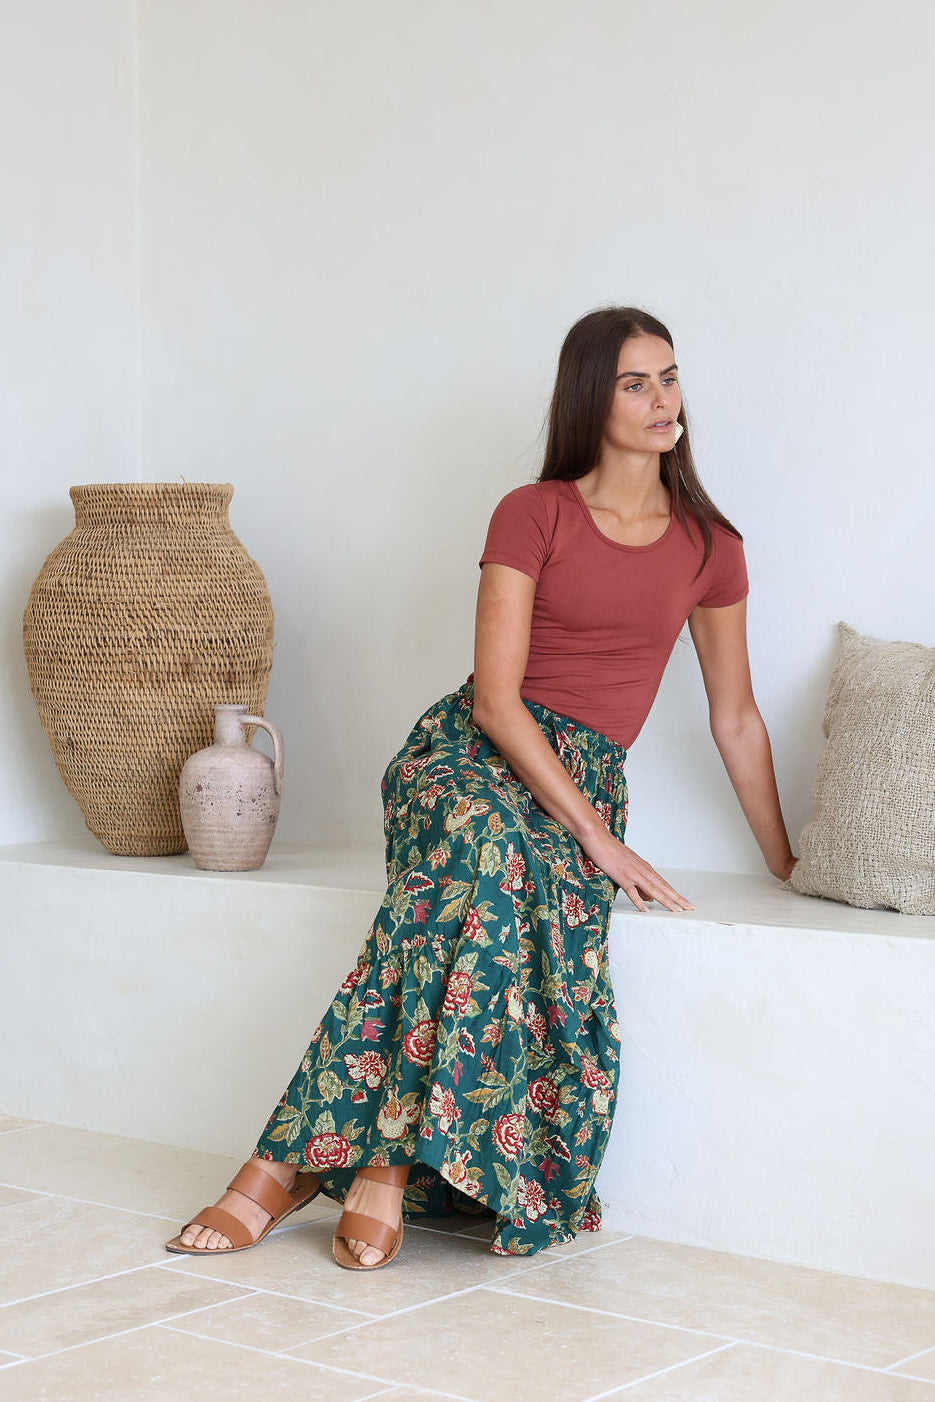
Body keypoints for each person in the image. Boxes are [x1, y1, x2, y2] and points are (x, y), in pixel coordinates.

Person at [166, 306, 795, 1270]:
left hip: (580, 774)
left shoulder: (712, 546)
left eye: (668, 377)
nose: (662, 399)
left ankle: (299, 1166)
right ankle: (374, 1165)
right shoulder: (532, 511)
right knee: (489, 849)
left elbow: (736, 718)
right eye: (635, 383)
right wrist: (600, 841)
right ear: (590, 397)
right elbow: (499, 703)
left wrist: (787, 865)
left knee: (485, 888)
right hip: (467, 755)